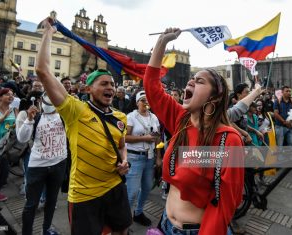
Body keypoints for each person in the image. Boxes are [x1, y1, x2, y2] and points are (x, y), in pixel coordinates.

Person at [35, 17, 131, 235]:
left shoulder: (120, 117)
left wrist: (124, 160)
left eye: (113, 84)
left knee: (122, 229)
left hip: (115, 187)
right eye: (104, 84)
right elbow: (42, 71)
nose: (111, 88)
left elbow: (121, 144)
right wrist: (49, 33)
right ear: (88, 89)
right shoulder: (75, 110)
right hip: (84, 195)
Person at [144, 28, 244, 235]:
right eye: (192, 78)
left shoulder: (228, 140)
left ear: (214, 98)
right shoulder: (181, 120)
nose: (190, 81)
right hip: (165, 225)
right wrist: (162, 42)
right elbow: (152, 88)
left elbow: (226, 204)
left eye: (199, 81)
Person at [17, 93, 67, 235]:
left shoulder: (64, 117)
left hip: (58, 164)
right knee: (31, 204)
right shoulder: (36, 118)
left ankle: (46, 229)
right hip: (37, 167)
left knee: (51, 202)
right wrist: (29, 120)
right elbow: (22, 138)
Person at [125, 90, 161, 226]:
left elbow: (157, 139)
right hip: (134, 157)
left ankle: (138, 213)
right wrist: (144, 138)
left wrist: (158, 157)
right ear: (137, 102)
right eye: (143, 100)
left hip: (150, 157)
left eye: (148, 100)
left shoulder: (154, 117)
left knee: (146, 188)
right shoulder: (131, 117)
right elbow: (125, 137)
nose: (146, 103)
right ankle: (125, 221)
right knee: (132, 192)